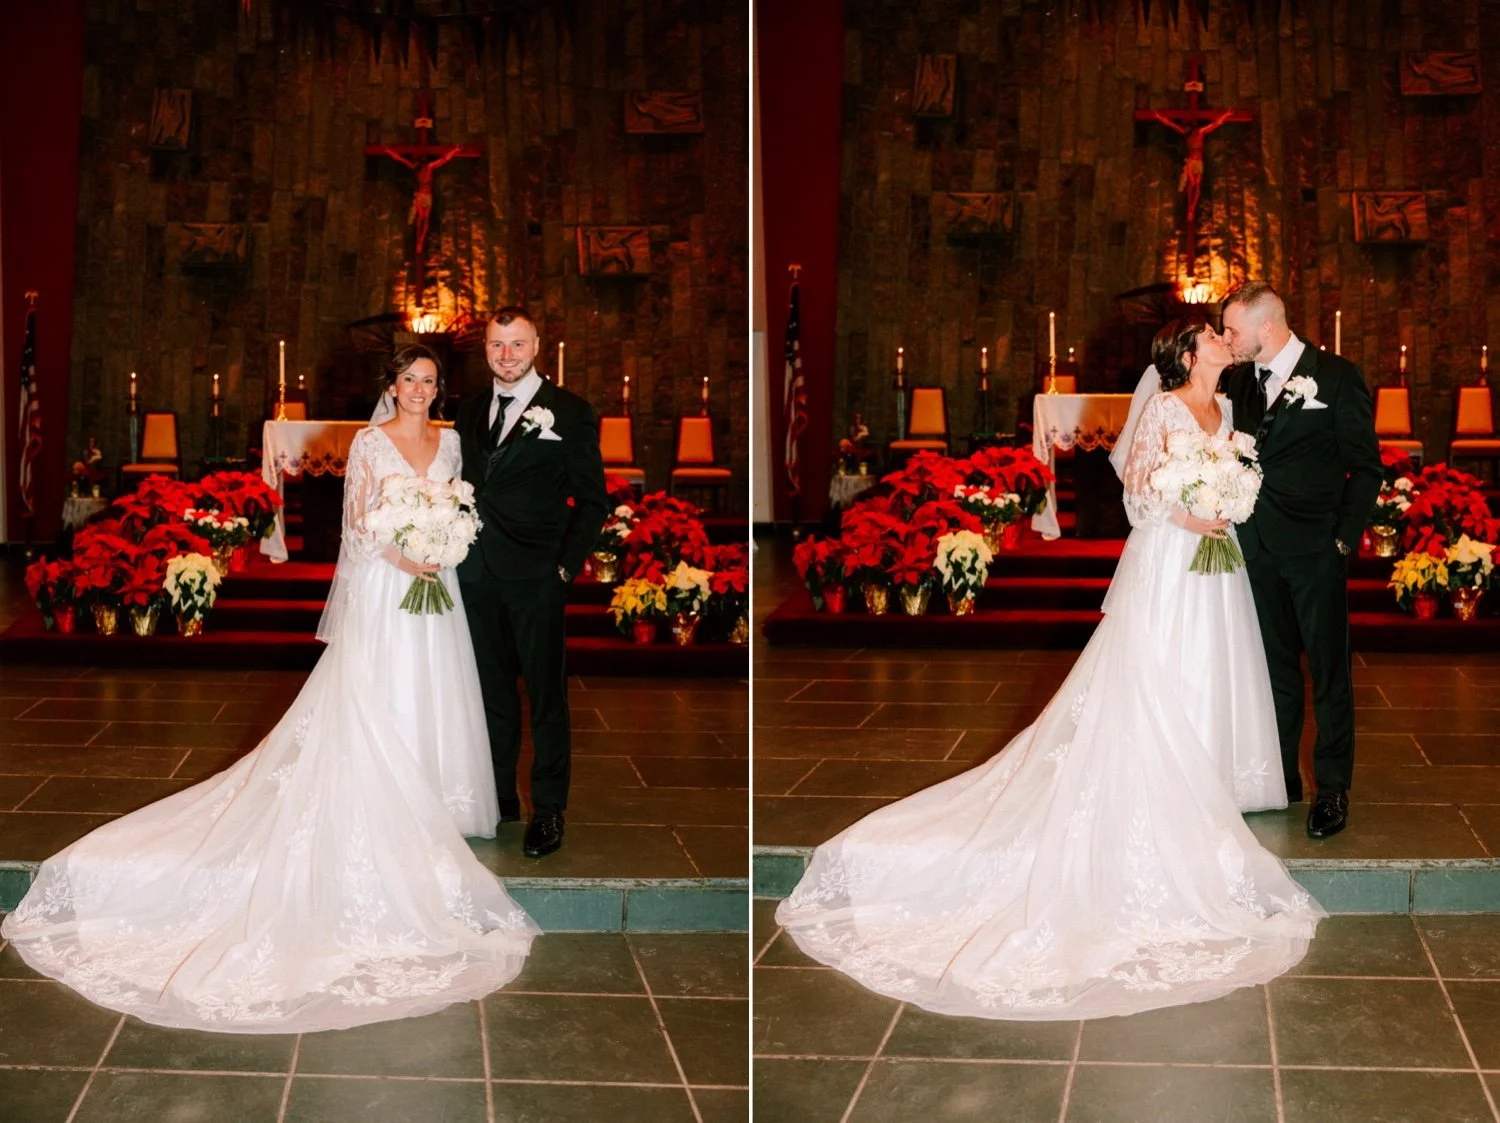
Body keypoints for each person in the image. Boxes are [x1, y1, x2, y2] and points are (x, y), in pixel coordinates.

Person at [777, 318, 1323, 1021]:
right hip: (1171, 562)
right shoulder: (1162, 406)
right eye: (1213, 336)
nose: (1224, 339)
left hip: (1218, 565)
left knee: (1214, 666)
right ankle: (1153, 784)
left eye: (1225, 334)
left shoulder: (1229, 408)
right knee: (1159, 671)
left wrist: (1228, 503)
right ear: (1189, 355)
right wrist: (1193, 517)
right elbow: (1138, 490)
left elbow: (1231, 472)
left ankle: (1205, 782)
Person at [0, 345, 538, 1034]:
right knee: (381, 694)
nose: (419, 390)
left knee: (439, 689)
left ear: (440, 389)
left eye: (429, 381)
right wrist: (411, 554)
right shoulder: (370, 443)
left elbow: (459, 505)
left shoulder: (454, 442)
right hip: (389, 584)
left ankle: (434, 798)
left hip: (439, 587)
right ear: (392, 385)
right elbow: (358, 529)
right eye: (409, 379)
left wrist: (446, 545)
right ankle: (383, 795)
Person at [1221, 281, 1382, 839]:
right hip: (1255, 545)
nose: (1227, 339)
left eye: (1233, 330)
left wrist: (1343, 540)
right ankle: (1280, 778)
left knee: (1329, 673)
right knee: (1272, 671)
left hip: (1316, 549)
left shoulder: (1336, 377)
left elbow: (1366, 467)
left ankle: (1332, 788)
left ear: (1266, 327)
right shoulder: (1239, 379)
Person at [456, 307, 608, 858]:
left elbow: (593, 501)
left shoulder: (569, 411)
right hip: (474, 574)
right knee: (491, 696)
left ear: (537, 345)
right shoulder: (468, 410)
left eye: (517, 345)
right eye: (498, 345)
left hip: (537, 576)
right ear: (486, 350)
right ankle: (498, 798)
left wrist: (564, 568)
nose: (507, 355)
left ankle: (549, 808)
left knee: (545, 697)